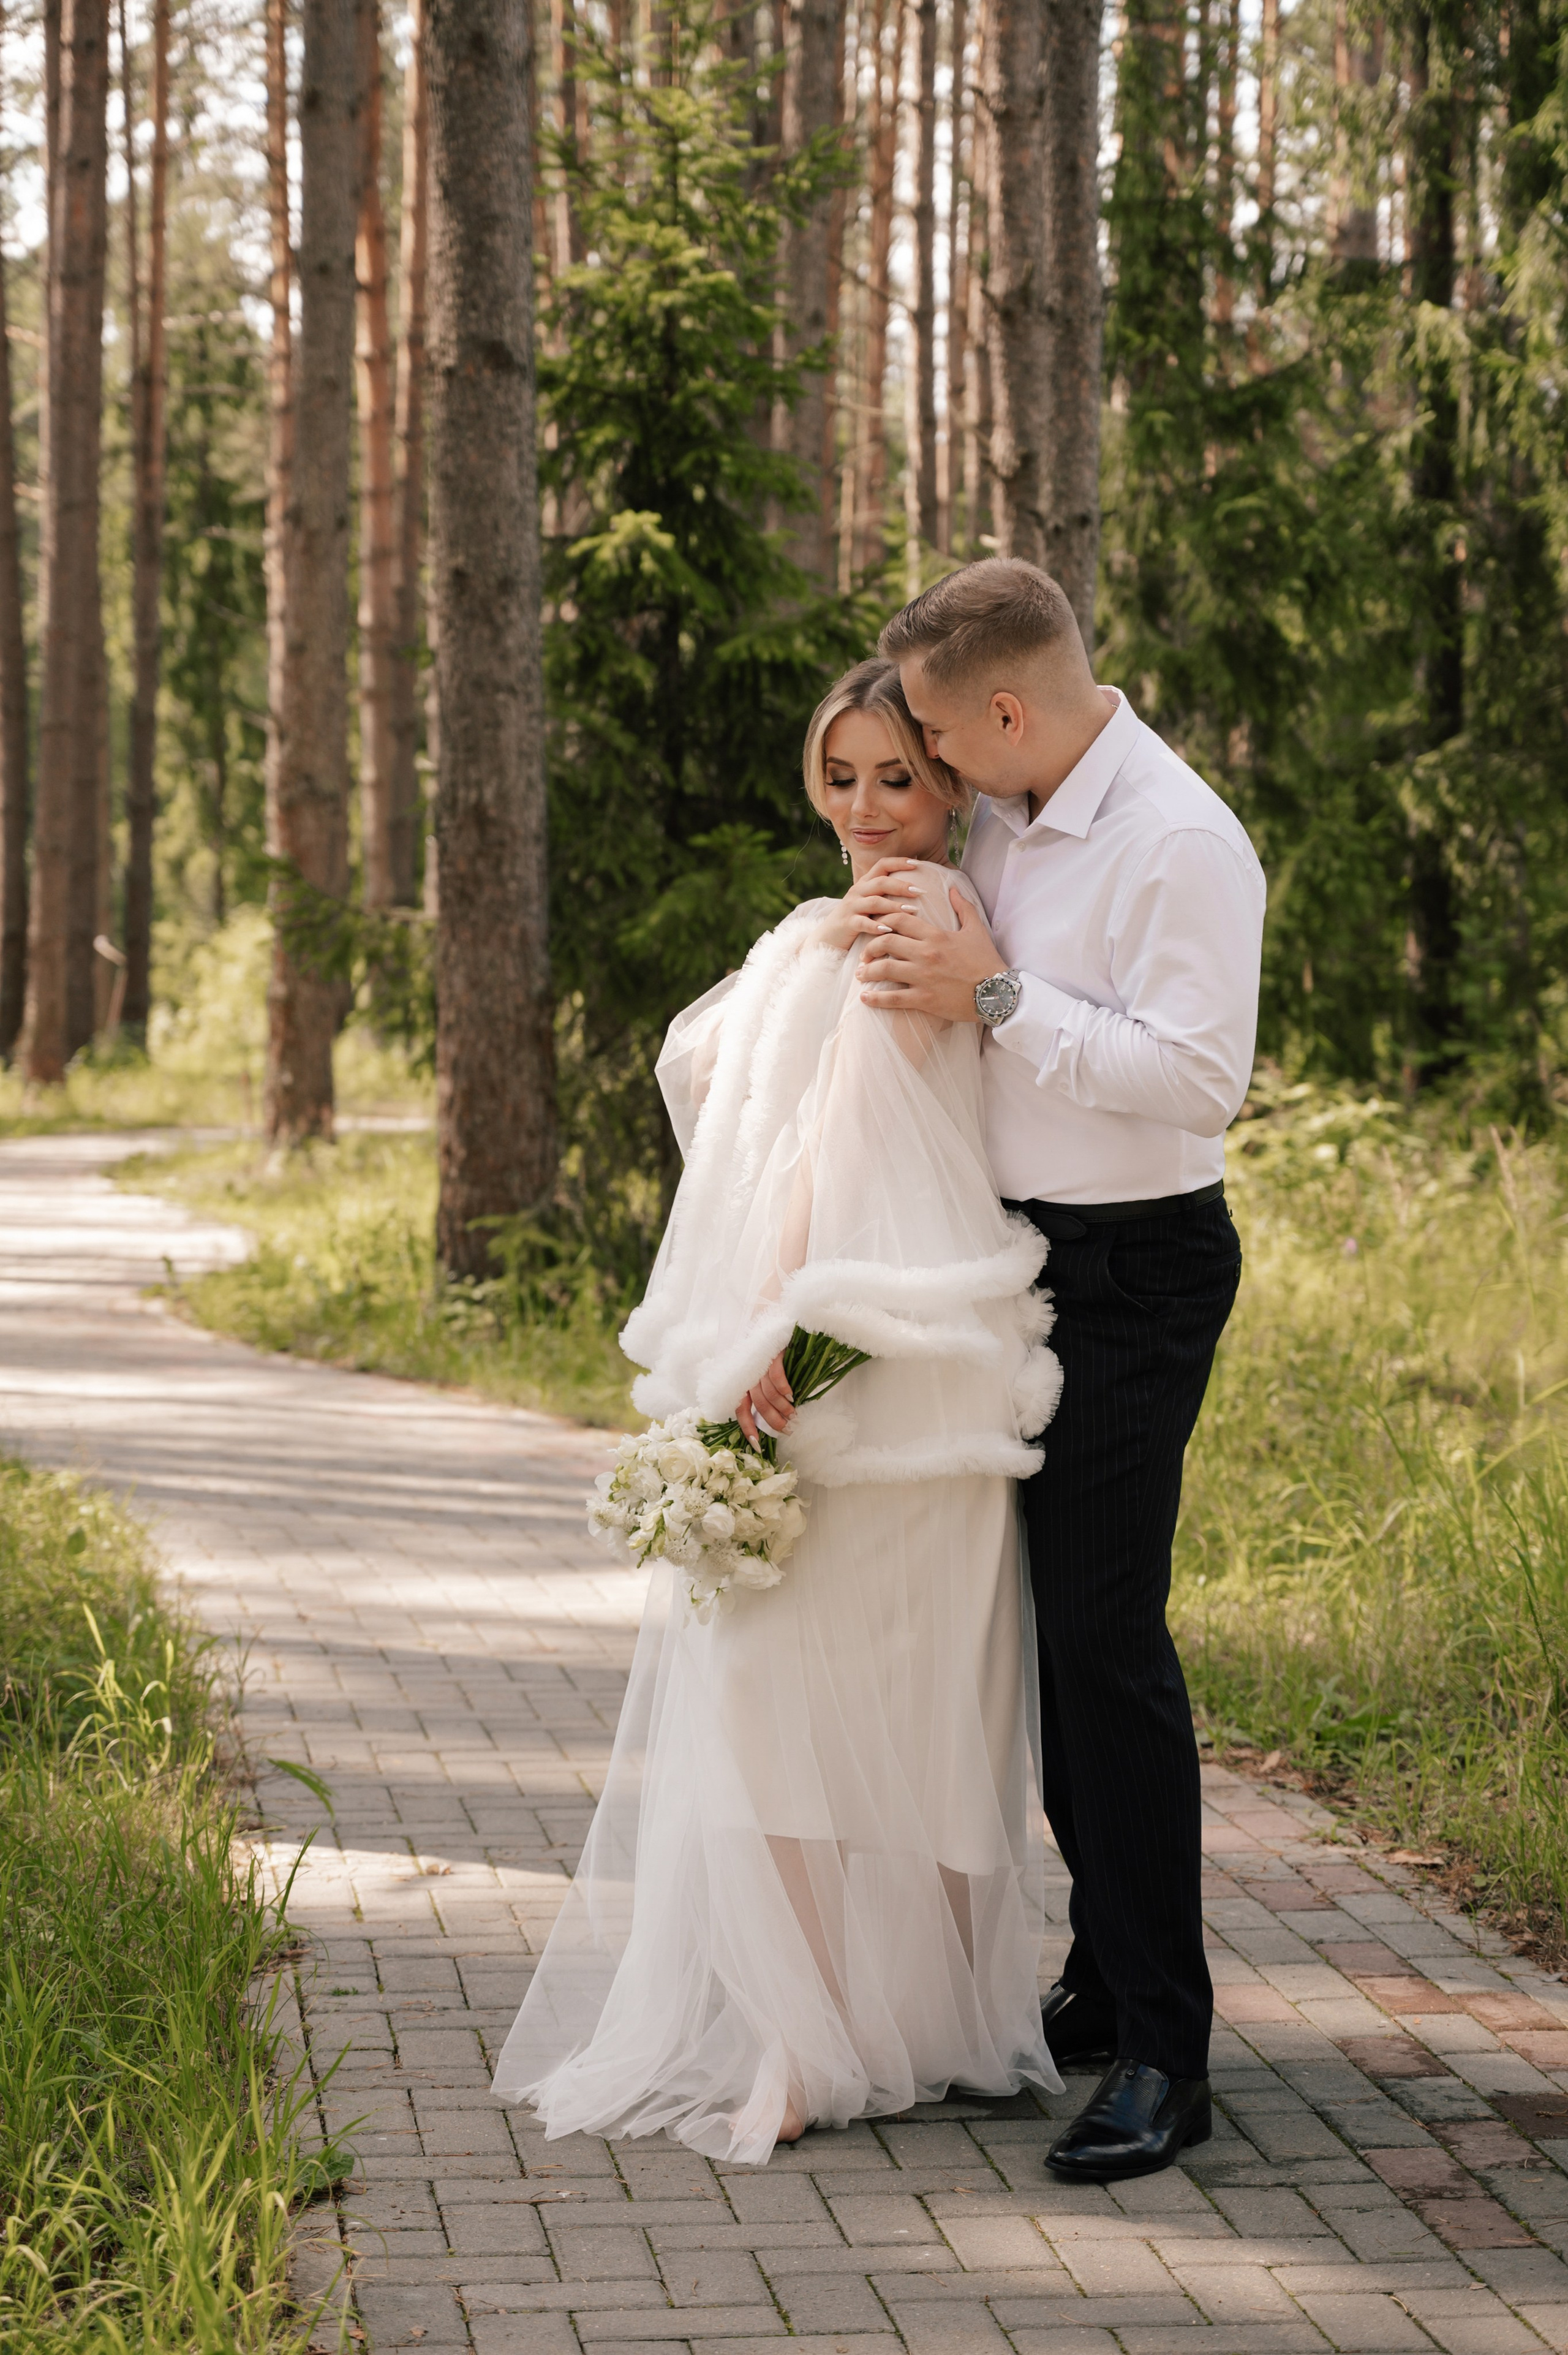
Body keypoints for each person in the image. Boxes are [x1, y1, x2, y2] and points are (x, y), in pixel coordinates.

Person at [492, 657, 1064, 2164]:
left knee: (805, 1700)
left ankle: (821, 2041)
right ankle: (941, 2026)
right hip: (914, 1350)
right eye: (842, 777)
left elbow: (850, 1147)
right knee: (905, 1700)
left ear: (950, 783)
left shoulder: (902, 918)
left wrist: (788, 1352)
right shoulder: (882, 916)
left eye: (899, 778)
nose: (869, 810)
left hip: (861, 1342)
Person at [859, 559, 1265, 2183]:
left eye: (947, 740)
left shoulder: (1179, 839)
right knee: (1038, 1642)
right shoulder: (1019, 811)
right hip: (1014, 1254)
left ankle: (1171, 2051)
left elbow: (1194, 1085)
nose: (937, 772)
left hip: (1132, 1273)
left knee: (1104, 1649)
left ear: (1009, 711)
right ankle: (1106, 1974)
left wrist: (1000, 997)